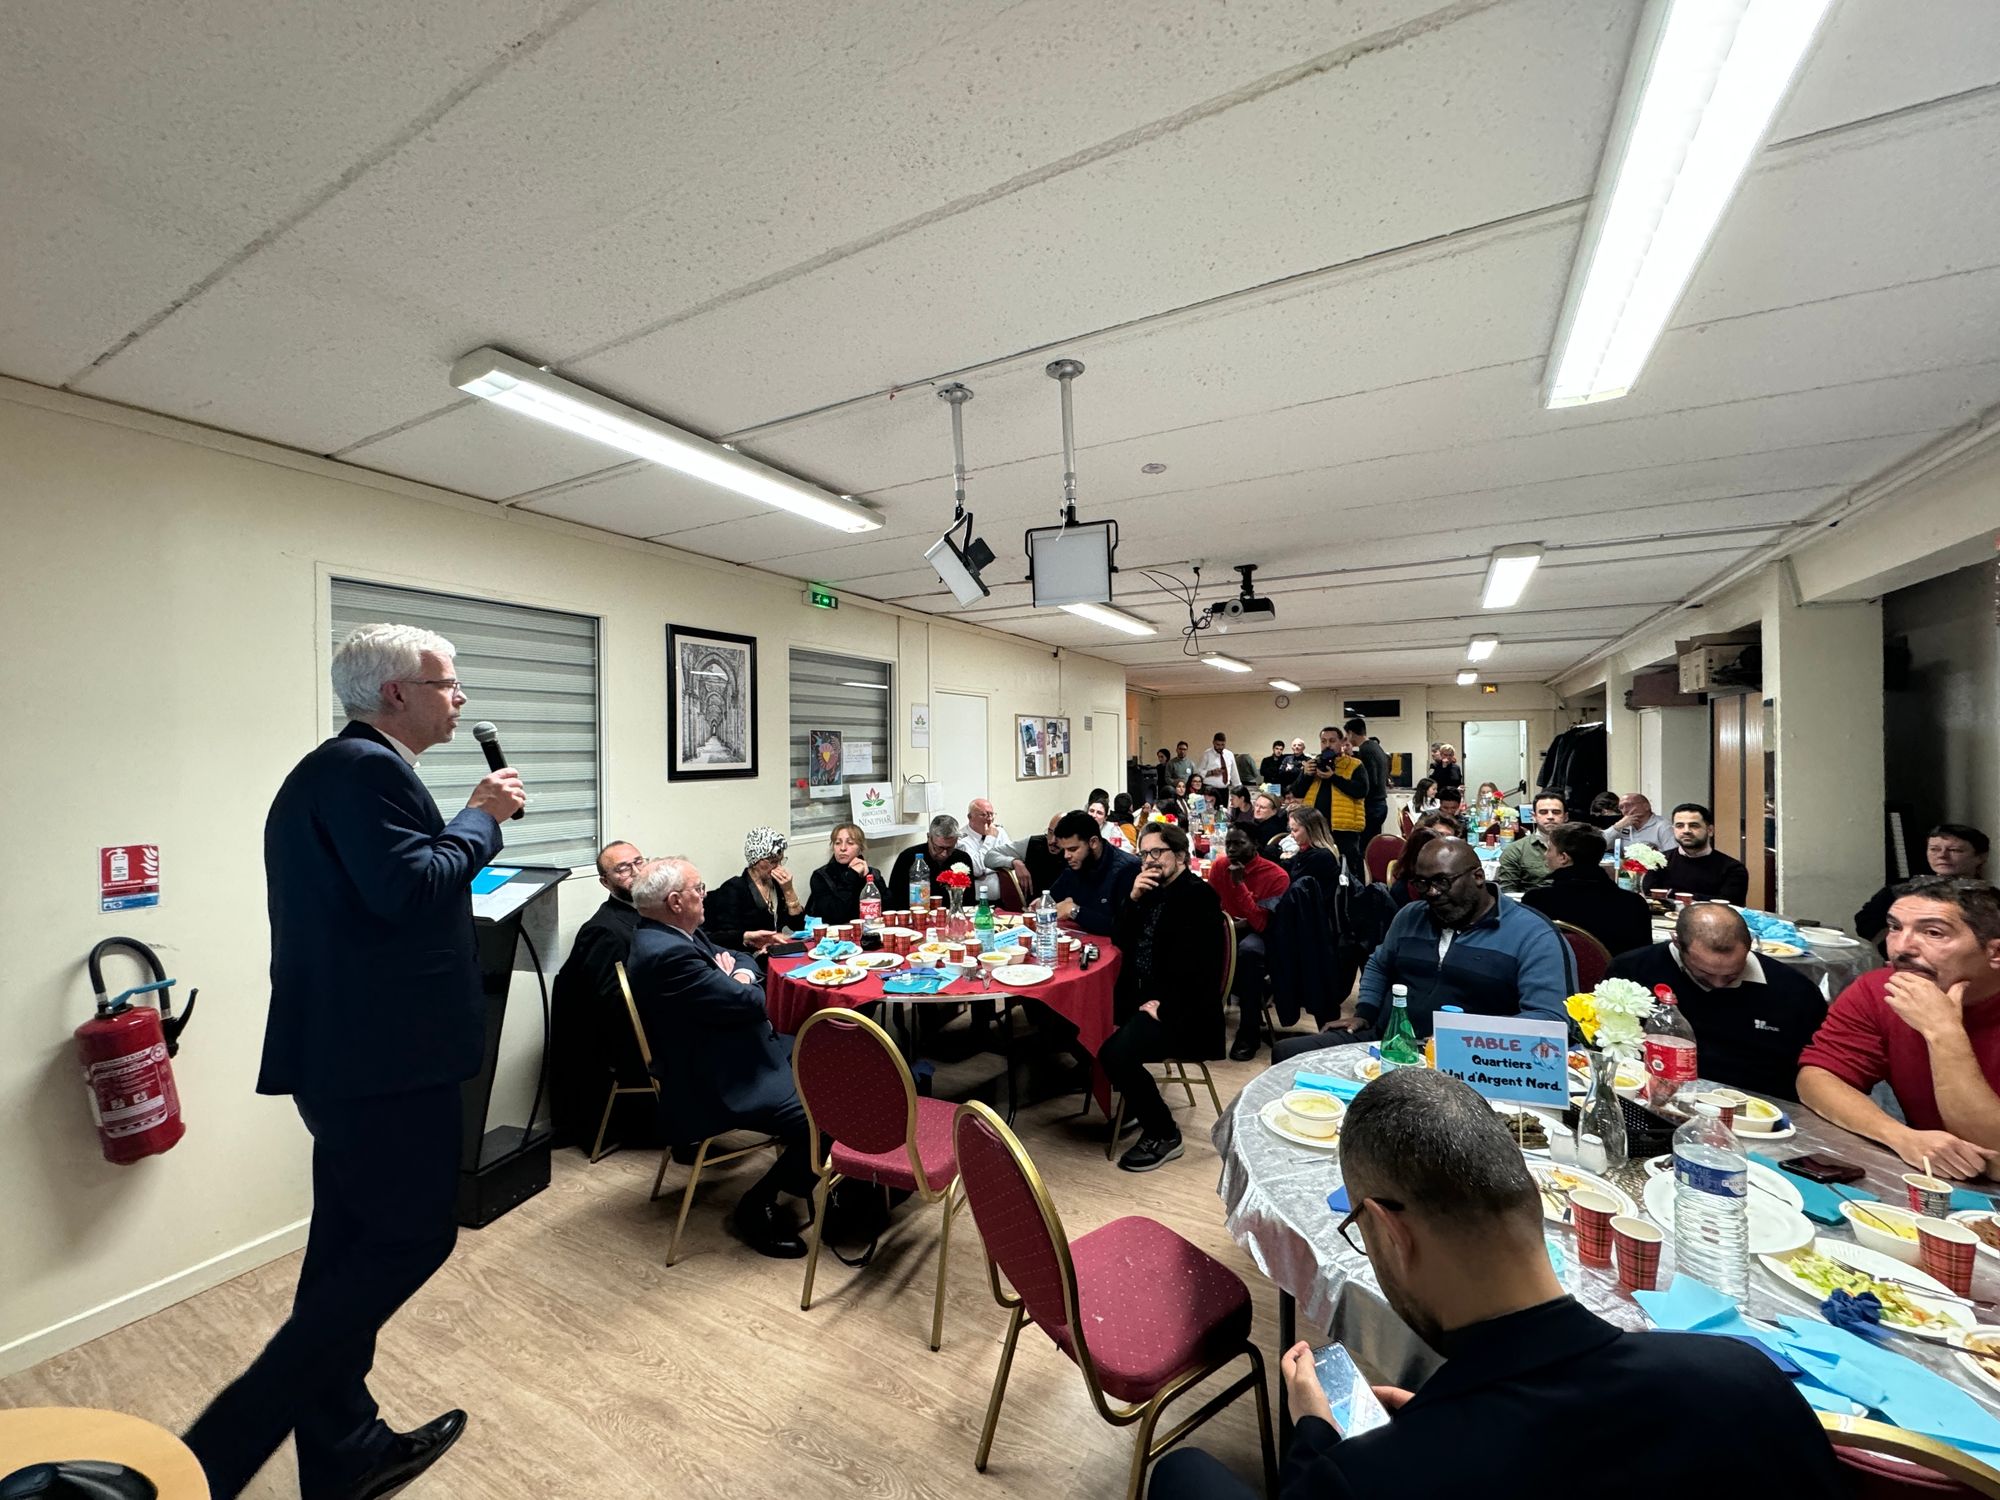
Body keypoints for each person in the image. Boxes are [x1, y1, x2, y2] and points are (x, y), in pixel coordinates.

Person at [183, 623, 526, 1500]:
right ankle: (212, 1456)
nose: (460, 699)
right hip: (385, 1062)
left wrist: (462, 830)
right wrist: (481, 820)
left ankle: (345, 1452)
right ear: (395, 695)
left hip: (351, 1057)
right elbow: (410, 886)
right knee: (413, 1238)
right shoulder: (362, 770)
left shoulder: (339, 774)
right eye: (447, 683)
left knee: (344, 1254)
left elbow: (385, 898)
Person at [1150, 1070, 1843, 1500]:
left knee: (1180, 1472)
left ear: (1392, 1232)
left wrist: (1313, 1436)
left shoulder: (1362, 1479)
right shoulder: (1745, 1380)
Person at [626, 858, 817, 1257]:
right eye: (698, 888)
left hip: (737, 1047)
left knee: (834, 1055)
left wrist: (737, 973)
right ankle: (758, 1204)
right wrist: (739, 980)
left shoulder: (677, 934)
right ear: (675, 901)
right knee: (825, 1111)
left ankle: (828, 1175)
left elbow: (739, 959)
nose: (705, 894)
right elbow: (751, 998)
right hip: (719, 1077)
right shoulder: (667, 954)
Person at [1798, 877, 2000, 1177]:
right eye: (1895, 927)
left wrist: (1944, 1032)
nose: (1901, 948)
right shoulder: (1881, 988)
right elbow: (1817, 1077)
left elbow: (1989, 1145)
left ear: (1994, 953)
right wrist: (1901, 1137)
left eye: (1933, 933)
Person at [1333, 838, 1573, 1041]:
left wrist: (1462, 1039)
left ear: (1478, 876)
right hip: (1389, 1042)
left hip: (1479, 1062)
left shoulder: (1532, 934)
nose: (1432, 893)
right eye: (1422, 883)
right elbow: (1379, 964)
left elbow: (1549, 1020)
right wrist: (1365, 1012)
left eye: (1442, 881)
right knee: (1296, 1054)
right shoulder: (1411, 916)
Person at [1607, 904, 1828, 1101]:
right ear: (1677, 943)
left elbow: (1816, 1069)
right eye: (1704, 973)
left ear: (1749, 945)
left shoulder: (1794, 992)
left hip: (1761, 1106)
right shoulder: (1632, 971)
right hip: (1657, 1097)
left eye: (1732, 974)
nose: (1719, 984)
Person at [1101, 823, 1226, 1172]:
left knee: (1114, 1054)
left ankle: (1164, 1132)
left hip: (1185, 1011)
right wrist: (1133, 900)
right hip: (1147, 995)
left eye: (1158, 852)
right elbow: (1120, 940)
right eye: (1144, 854)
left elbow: (1204, 971)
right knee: (1085, 1022)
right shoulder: (1152, 891)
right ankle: (1137, 1107)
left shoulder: (1199, 897)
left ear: (1181, 856)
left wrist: (1165, 1009)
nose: (1150, 861)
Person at [550, 839, 649, 1148]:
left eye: (639, 862)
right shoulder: (605, 929)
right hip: (621, 1043)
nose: (635, 872)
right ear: (605, 882)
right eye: (623, 868)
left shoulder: (647, 911)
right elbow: (613, 1006)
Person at [1212, 824, 1290, 1060]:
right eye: (1228, 844)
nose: (1231, 850)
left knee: (1248, 952)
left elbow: (1261, 923)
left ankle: (1249, 1031)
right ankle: (1205, 1025)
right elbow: (1210, 906)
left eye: (1238, 844)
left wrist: (1239, 884)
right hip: (1228, 927)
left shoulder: (1277, 876)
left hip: (1260, 935)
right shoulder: (1219, 866)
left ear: (1255, 845)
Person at [1521, 823, 1651, 962]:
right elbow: (1643, 959)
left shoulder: (1537, 901)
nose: (1545, 855)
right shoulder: (1634, 903)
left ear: (1563, 857)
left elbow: (1524, 952)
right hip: (1616, 980)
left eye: (1549, 849)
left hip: (1554, 978)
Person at [1854, 824, 1989, 946]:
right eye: (1934, 849)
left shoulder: (1990, 898)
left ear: (1981, 857)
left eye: (1954, 850)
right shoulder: (1901, 891)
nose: (1942, 855)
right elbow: (1865, 924)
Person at [703, 826, 803, 952]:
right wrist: (758, 943)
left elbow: (799, 926)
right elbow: (726, 937)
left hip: (775, 951)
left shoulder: (776, 884)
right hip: (748, 955)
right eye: (772, 861)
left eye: (780, 861)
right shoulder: (734, 888)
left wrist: (789, 891)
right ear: (755, 861)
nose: (778, 866)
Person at [1050, 808, 1142, 936]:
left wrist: (1074, 910)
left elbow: (1122, 928)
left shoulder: (1127, 869)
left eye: (1072, 849)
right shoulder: (1075, 863)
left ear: (1093, 842)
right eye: (1064, 850)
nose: (1066, 856)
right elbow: (1052, 900)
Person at [1294, 726, 1367, 878]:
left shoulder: (1354, 765)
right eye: (1323, 741)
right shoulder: (1312, 765)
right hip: (1315, 830)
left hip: (1344, 830)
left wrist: (1333, 777)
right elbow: (1297, 792)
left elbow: (1361, 791)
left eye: (1332, 741)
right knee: (1317, 872)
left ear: (1342, 742)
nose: (1327, 745)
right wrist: (1305, 775)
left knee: (1347, 873)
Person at [1641, 803, 1749, 904]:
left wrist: (1671, 893)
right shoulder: (1659, 861)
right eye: (1680, 826)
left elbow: (1729, 904)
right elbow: (1650, 896)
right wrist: (1703, 897)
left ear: (1710, 830)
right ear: (1673, 830)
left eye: (1694, 825)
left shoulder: (1732, 868)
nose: (1686, 830)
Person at [886, 813, 978, 907]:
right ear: (929, 837)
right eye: (939, 848)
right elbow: (894, 899)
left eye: (950, 848)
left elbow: (969, 901)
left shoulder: (962, 859)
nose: (944, 854)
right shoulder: (908, 858)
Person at [804, 822, 880, 925]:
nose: (843, 848)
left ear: (860, 848)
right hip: (833, 934)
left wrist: (867, 878)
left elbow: (889, 909)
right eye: (838, 843)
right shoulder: (821, 876)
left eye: (850, 843)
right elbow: (835, 916)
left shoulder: (872, 873)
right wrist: (851, 877)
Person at [1494, 792, 1566, 894]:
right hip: (1530, 907)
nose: (1550, 816)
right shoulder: (1516, 850)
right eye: (1543, 812)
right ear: (1534, 816)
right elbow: (1508, 894)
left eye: (1556, 812)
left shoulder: (1579, 848)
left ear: (1566, 817)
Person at [957, 797, 1015, 902]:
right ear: (970, 817)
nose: (989, 819)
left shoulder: (999, 831)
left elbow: (1012, 857)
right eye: (984, 815)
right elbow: (976, 869)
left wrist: (989, 867)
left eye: (991, 814)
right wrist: (990, 839)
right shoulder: (961, 840)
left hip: (1005, 896)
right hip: (977, 901)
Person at [1346, 715, 1390, 849]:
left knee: (1365, 847)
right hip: (1380, 803)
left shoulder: (1366, 750)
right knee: (1373, 845)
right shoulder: (1375, 747)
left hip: (1372, 805)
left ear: (1351, 733)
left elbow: (1371, 779)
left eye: (1347, 735)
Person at [1601, 791, 1674, 851]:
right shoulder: (1623, 826)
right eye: (1621, 807)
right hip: (1626, 867)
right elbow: (1598, 845)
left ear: (1646, 806)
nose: (1625, 810)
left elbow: (1672, 856)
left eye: (1629, 805)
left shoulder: (1663, 826)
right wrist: (1616, 827)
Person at [1197, 730, 1243, 804]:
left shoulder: (1229, 754)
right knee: (1210, 812)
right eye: (1218, 744)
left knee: (1224, 812)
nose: (1220, 747)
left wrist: (1239, 788)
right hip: (1210, 790)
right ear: (1213, 743)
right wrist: (1212, 772)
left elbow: (1234, 773)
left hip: (1224, 790)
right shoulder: (1206, 754)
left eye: (1222, 745)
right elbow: (1198, 772)